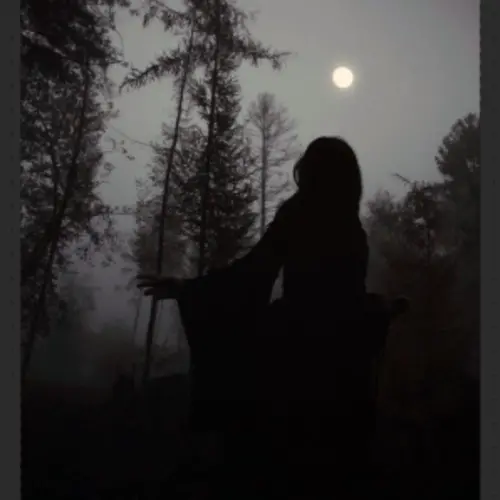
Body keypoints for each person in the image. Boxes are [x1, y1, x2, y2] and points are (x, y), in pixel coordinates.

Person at [137, 137, 398, 498]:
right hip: (341, 363)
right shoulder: (351, 229)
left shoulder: (302, 213)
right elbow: (335, 296)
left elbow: (252, 274)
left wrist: (190, 289)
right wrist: (379, 311)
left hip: (294, 353)